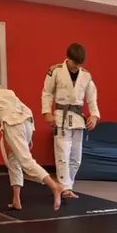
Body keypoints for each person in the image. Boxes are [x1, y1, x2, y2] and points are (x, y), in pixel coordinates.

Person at [0, 80, 63, 211]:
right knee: (13, 160)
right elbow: (24, 108)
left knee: (25, 161)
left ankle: (54, 186)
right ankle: (16, 200)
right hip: (27, 122)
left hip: (13, 123)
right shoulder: (7, 92)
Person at [41, 43, 100, 199]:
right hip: (61, 116)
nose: (76, 67)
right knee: (63, 154)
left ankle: (67, 185)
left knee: (76, 158)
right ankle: (65, 188)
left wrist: (94, 114)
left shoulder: (86, 75)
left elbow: (91, 96)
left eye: (79, 64)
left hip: (78, 119)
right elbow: (47, 93)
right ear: (68, 58)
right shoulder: (56, 71)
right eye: (74, 63)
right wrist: (47, 112)